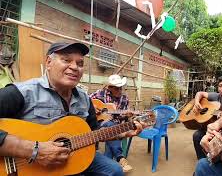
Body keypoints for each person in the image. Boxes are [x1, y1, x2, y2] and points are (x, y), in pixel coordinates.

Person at [0, 42, 143, 176]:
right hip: (27, 166)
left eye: (80, 63)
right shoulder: (22, 92)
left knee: (115, 171)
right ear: (49, 62)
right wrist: (34, 150)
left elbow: (94, 133)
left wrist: (124, 132)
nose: (75, 67)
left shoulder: (85, 99)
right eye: (66, 60)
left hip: (73, 157)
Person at [90, 74, 133, 172]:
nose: (120, 91)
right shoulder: (100, 94)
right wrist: (93, 109)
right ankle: (120, 157)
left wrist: (127, 115)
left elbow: (123, 117)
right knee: (109, 126)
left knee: (111, 128)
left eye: (121, 88)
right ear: (110, 88)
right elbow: (87, 102)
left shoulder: (124, 99)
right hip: (100, 123)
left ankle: (108, 165)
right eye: (117, 89)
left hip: (116, 125)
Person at [192, 75, 222, 160]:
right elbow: (200, 93)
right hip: (215, 129)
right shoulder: (217, 96)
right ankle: (202, 160)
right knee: (197, 135)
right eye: (220, 86)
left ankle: (218, 161)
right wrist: (196, 102)